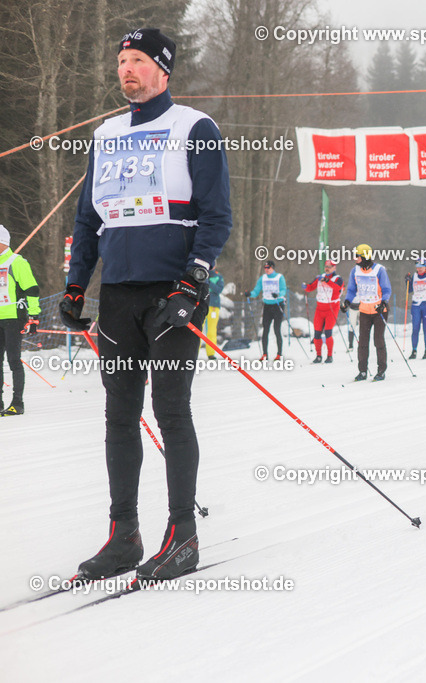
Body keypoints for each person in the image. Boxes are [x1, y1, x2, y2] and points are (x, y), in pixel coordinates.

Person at [60, 28, 231, 581]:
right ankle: (124, 536)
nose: (126, 69)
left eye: (137, 60)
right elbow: (89, 218)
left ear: (163, 70)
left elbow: (216, 216)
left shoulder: (194, 127)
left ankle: (183, 535)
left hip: (172, 293)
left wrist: (193, 282)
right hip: (118, 293)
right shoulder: (106, 134)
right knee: (119, 415)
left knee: (171, 410)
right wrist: (75, 285)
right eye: (121, 61)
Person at [0, 225, 41, 415]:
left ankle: (17, 403)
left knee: (13, 360)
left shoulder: (16, 262)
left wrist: (33, 316)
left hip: (14, 318)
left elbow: (31, 289)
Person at [343, 244, 392, 381]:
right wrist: (347, 302)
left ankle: (381, 371)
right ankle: (362, 371)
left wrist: (384, 302)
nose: (355, 258)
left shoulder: (379, 270)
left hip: (379, 310)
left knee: (378, 340)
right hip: (364, 310)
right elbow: (351, 290)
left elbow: (386, 289)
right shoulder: (355, 271)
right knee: (363, 342)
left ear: (364, 256)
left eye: (357, 256)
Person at [303, 260, 344, 363]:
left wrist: (327, 281)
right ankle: (318, 356)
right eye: (326, 266)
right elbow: (310, 287)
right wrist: (306, 287)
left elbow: (338, 289)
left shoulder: (338, 279)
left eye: (329, 267)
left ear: (334, 268)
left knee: (328, 332)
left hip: (332, 308)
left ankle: (329, 356)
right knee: (317, 333)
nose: (327, 268)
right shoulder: (319, 277)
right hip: (320, 309)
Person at [246, 261, 287, 360]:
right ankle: (265, 354)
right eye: (265, 267)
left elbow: (283, 290)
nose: (266, 269)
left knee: (277, 329)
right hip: (267, 306)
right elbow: (256, 291)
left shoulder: (279, 277)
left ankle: (279, 354)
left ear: (272, 267)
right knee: (265, 330)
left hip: (278, 305)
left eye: (268, 267)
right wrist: (250, 294)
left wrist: (278, 294)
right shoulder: (262, 278)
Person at [406, 262, 426, 359]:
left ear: (425, 267)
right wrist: (407, 281)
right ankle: (414, 351)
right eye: (418, 267)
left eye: (421, 267)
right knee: (415, 328)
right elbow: (409, 290)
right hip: (416, 305)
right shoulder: (414, 276)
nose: (419, 269)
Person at [203, 266, 224, 359]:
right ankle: (194, 352)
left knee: (211, 330)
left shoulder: (218, 277)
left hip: (214, 306)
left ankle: (211, 353)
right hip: (202, 305)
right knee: (198, 329)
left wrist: (209, 282)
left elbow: (219, 289)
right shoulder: (202, 274)